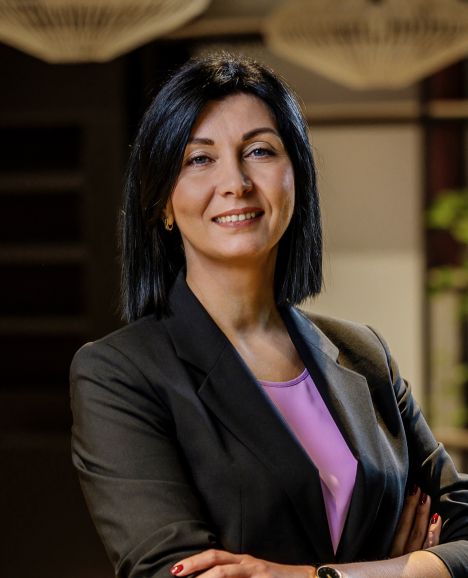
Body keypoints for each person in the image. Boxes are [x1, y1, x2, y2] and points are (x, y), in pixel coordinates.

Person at [70, 53, 468, 578]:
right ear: (163, 201)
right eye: (199, 159)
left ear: (295, 177)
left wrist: (320, 576)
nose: (235, 182)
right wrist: (406, 567)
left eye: (259, 151)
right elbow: (174, 570)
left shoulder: (364, 354)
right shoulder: (118, 374)